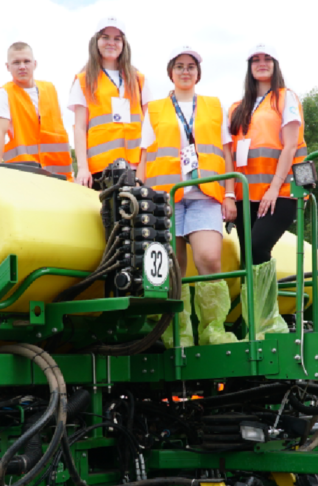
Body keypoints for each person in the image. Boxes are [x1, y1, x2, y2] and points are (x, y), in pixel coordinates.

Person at [139, 47, 237, 347]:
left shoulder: (212, 105)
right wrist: (143, 196)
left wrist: (230, 193)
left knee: (208, 258)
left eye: (191, 66)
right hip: (166, 197)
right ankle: (176, 333)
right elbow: (144, 155)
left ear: (198, 73)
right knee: (173, 265)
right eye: (179, 66)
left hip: (205, 193)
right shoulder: (154, 109)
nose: (185, 71)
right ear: (171, 72)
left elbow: (226, 151)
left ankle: (212, 329)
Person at [226, 43, 307, 338]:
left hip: (280, 191)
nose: (261, 64)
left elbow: (290, 145)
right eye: (255, 60)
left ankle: (269, 323)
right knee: (247, 258)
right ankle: (255, 326)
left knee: (259, 247)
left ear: (275, 64)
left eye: (267, 59)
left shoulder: (286, 98)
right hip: (245, 194)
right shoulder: (237, 107)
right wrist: (228, 195)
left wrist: (274, 188)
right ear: (249, 66)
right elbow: (228, 154)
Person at [69, 17, 156, 189]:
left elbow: (150, 124)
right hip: (101, 170)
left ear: (124, 44)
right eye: (106, 37)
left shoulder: (139, 80)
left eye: (117, 39)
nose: (111, 43)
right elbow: (79, 127)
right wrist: (83, 168)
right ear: (96, 42)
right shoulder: (84, 80)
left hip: (137, 168)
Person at [0, 42, 72, 180]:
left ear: (35, 64)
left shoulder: (50, 89)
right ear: (8, 67)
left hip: (59, 176)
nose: (22, 66)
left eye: (26, 61)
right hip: (24, 176)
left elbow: (60, 130)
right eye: (16, 62)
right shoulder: (5, 93)